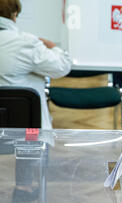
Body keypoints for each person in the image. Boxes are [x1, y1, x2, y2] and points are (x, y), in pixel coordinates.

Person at [0, 0, 72, 130]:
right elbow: (62, 66)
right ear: (14, 14)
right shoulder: (24, 43)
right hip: (27, 135)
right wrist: (53, 47)